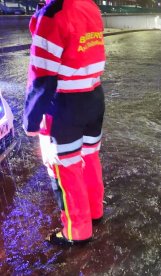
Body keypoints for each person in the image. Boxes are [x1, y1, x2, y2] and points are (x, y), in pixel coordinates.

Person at [24, 0, 106, 246]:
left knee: (65, 168)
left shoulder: (53, 14)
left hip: (64, 106)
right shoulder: (90, 6)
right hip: (94, 96)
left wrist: (31, 120)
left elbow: (41, 76)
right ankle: (95, 212)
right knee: (89, 158)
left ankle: (76, 230)